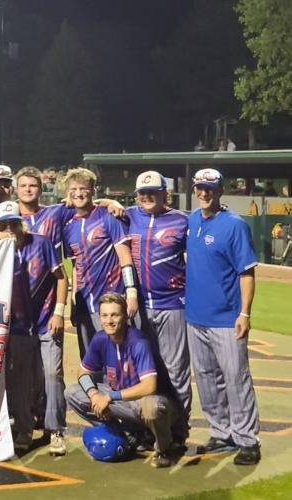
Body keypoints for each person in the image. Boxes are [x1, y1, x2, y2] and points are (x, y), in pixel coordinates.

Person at [185, 168, 261, 465]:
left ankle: (247, 440)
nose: (204, 193)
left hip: (227, 319)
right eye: (200, 188)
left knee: (236, 378)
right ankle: (221, 432)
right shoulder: (191, 220)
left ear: (220, 190)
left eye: (210, 188)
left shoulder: (235, 225)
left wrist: (244, 312)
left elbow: (247, 273)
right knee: (206, 379)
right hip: (195, 317)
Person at [65, 293, 179, 468]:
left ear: (125, 316)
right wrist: (94, 394)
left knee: (152, 408)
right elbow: (82, 371)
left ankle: (164, 447)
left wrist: (110, 397)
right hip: (120, 401)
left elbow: (149, 386)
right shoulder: (100, 339)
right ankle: (125, 433)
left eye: (114, 315)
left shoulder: (138, 341)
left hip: (145, 401)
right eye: (104, 315)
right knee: (72, 393)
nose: (109, 321)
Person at [0, 201, 69, 455]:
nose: (10, 229)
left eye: (14, 224)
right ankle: (24, 429)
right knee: (20, 380)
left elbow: (61, 277)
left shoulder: (41, 242)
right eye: (4, 226)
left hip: (47, 319)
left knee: (52, 375)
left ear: (22, 223)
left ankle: (55, 430)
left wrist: (59, 312)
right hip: (16, 325)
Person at [126, 171, 192, 447]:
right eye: (142, 192)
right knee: (143, 370)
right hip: (139, 308)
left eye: (153, 191)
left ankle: (178, 431)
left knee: (176, 371)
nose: (147, 196)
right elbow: (100, 206)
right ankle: (146, 428)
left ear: (165, 193)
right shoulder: (128, 215)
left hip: (172, 304)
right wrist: (107, 202)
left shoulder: (182, 220)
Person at [62, 167, 138, 358]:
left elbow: (125, 257)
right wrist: (73, 303)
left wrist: (131, 292)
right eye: (74, 189)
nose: (79, 193)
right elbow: (76, 267)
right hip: (85, 304)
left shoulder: (108, 216)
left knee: (118, 357)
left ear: (93, 190)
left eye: (83, 188)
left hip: (112, 301)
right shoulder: (68, 227)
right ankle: (93, 389)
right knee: (89, 358)